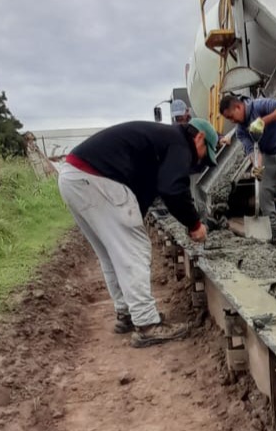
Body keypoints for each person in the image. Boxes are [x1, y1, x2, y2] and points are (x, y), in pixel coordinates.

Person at [57, 118, 218, 346]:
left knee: (111, 254)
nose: (199, 161)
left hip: (73, 176)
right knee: (134, 250)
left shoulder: (160, 141)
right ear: (199, 137)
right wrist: (195, 225)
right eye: (204, 154)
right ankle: (147, 324)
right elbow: (173, 189)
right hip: (96, 178)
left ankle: (127, 314)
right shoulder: (180, 144)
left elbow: (149, 191)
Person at [219, 94, 276, 253]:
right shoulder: (240, 131)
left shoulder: (259, 106)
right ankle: (273, 236)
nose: (232, 121)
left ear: (239, 107)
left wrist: (262, 121)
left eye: (231, 117)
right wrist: (257, 166)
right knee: (264, 194)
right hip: (268, 155)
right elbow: (252, 150)